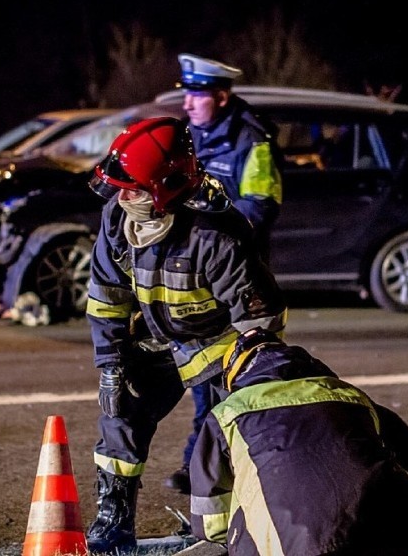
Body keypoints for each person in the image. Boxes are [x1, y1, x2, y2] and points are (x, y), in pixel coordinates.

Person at [84, 116, 288, 553]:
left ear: (167, 186)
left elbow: (260, 318)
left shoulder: (216, 235)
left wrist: (249, 385)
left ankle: (221, 534)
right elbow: (106, 301)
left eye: (133, 188)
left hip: (221, 348)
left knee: (223, 439)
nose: (123, 197)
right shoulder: (118, 220)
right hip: (157, 341)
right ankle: (113, 520)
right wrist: (110, 367)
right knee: (121, 417)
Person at [189, 327, 408, 556]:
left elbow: (211, 523)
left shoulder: (227, 413)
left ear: (236, 376)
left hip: (292, 547)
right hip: (383, 536)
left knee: (246, 504)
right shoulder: (350, 395)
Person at [164, 53, 285, 496]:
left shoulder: (252, 141)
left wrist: (213, 238)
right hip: (195, 278)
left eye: (196, 94)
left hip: (237, 280)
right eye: (186, 93)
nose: (188, 103)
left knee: (231, 376)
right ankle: (216, 463)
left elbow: (260, 207)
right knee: (207, 378)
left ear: (220, 95)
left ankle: (208, 467)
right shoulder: (190, 137)